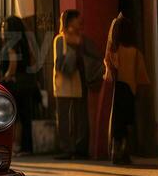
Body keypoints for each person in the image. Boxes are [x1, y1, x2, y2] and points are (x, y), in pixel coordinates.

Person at [102, 12, 148, 165]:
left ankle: (115, 151)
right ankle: (125, 152)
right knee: (128, 122)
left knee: (117, 123)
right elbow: (142, 75)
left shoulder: (114, 51)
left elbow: (108, 69)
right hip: (130, 90)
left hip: (118, 89)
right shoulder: (135, 52)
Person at [51, 9, 97, 159]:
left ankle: (80, 149)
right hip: (63, 84)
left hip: (78, 83)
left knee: (80, 118)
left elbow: (94, 55)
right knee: (64, 118)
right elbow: (59, 63)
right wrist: (73, 50)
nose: (81, 22)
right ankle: (66, 149)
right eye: (78, 19)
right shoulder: (60, 39)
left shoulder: (82, 40)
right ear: (70, 21)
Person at [0, 16, 39, 153]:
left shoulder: (11, 44)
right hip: (26, 83)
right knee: (25, 117)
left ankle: (16, 146)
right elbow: (33, 61)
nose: (2, 29)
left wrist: (7, 76)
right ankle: (27, 147)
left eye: (4, 26)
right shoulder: (24, 42)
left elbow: (13, 62)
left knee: (14, 118)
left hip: (14, 84)